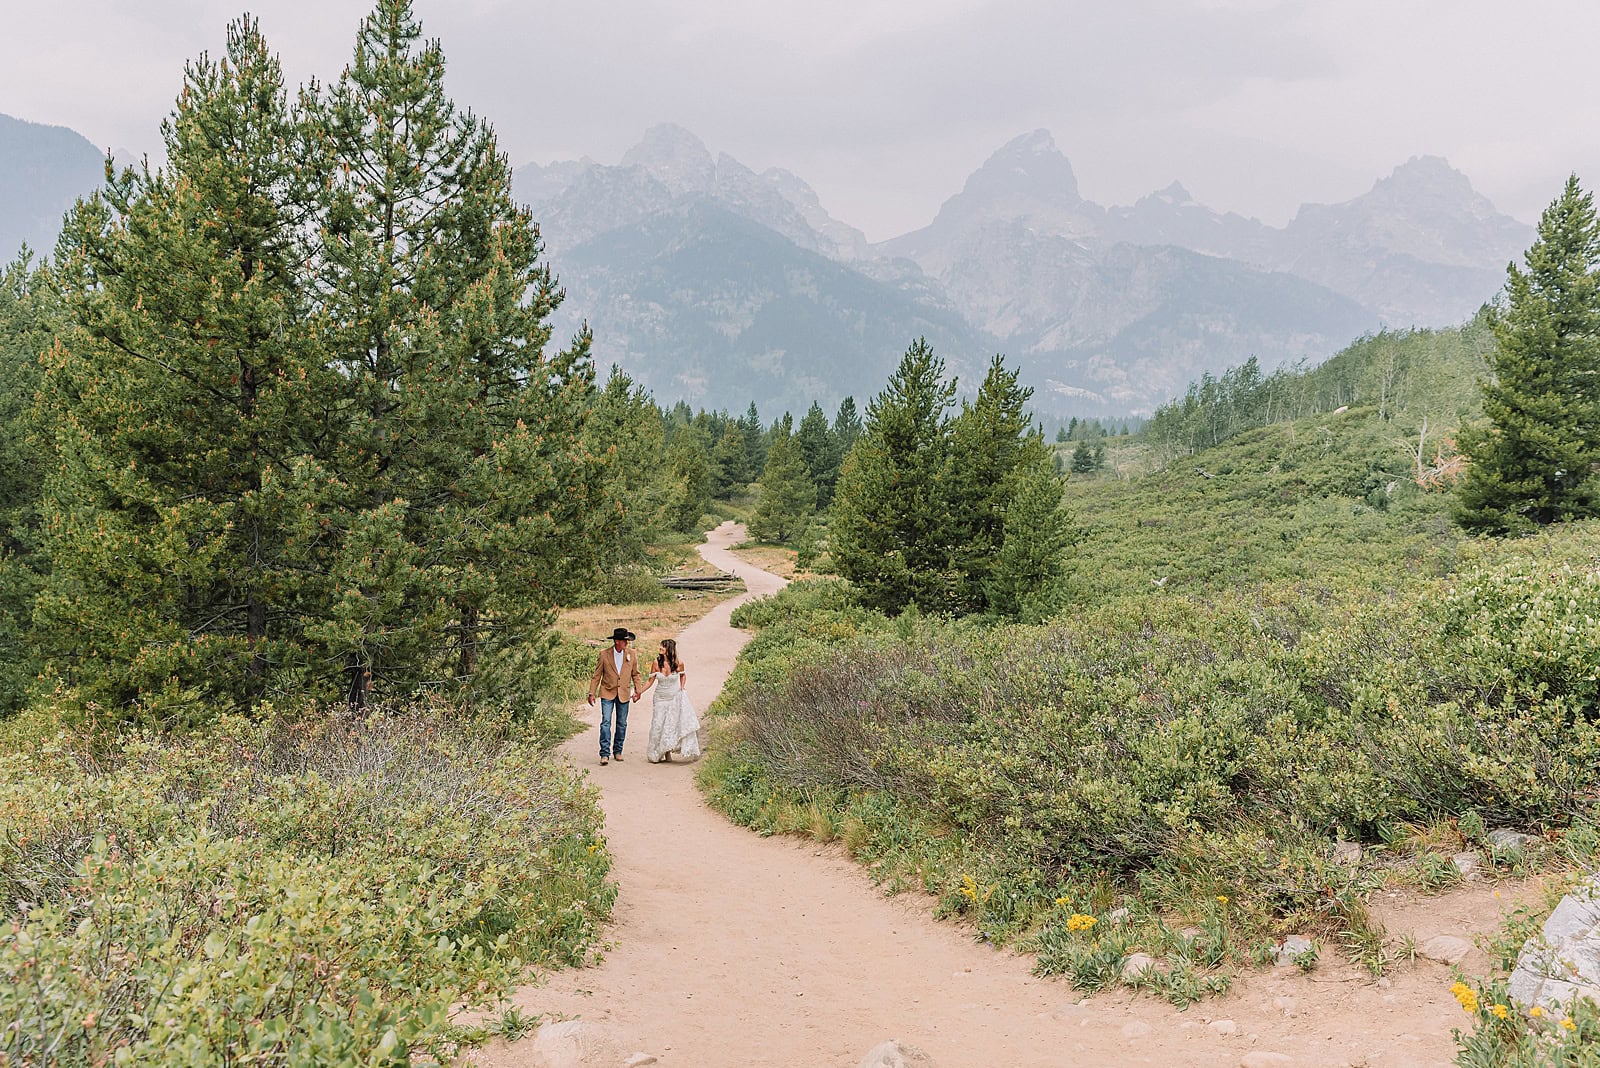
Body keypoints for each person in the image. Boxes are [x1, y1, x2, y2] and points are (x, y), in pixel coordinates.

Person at [636, 637, 701, 763]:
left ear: (669, 649)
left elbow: (683, 675)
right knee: (658, 725)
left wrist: (682, 688)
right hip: (660, 698)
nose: (660, 648)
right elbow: (650, 681)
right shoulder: (656, 663)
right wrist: (639, 692)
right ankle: (656, 753)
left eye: (663, 646)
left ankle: (667, 752)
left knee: (670, 725)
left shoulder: (679, 663)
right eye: (660, 646)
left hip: (673, 697)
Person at [588, 627, 641, 765]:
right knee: (605, 722)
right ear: (617, 641)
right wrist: (592, 693)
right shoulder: (604, 654)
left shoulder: (632, 654)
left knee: (621, 723)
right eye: (625, 641)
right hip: (607, 692)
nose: (627, 643)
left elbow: (636, 674)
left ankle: (618, 751)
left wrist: (638, 691)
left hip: (624, 692)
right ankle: (604, 753)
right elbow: (596, 675)